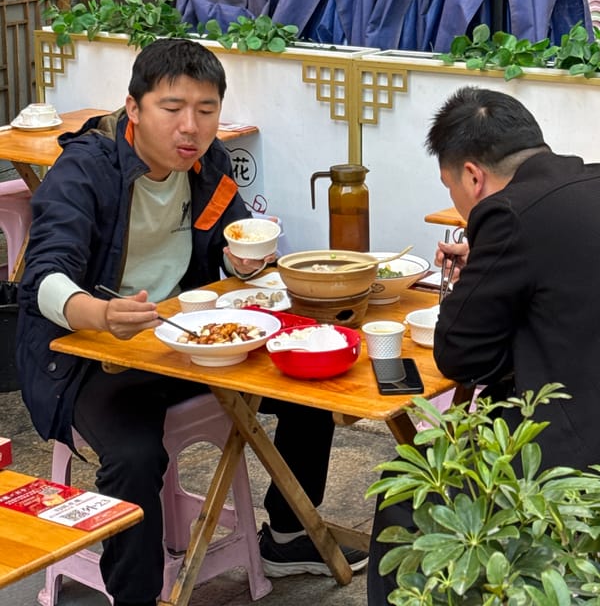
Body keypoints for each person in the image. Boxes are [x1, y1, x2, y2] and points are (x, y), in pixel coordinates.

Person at [16, 38, 367, 606]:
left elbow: (227, 243)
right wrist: (101, 313)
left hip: (184, 342)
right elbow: (45, 279)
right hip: (87, 356)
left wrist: (239, 261)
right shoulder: (87, 169)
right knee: (134, 457)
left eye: (206, 111)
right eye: (172, 108)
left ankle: (285, 534)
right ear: (134, 109)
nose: (191, 127)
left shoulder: (209, 168)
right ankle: (134, 596)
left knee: (309, 381)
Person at [367, 85, 600, 604]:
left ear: (473, 176)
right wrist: (495, 271)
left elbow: (461, 356)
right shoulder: (586, 182)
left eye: (452, 189)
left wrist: (470, 281)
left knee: (403, 491)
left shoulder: (508, 213)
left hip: (572, 462)